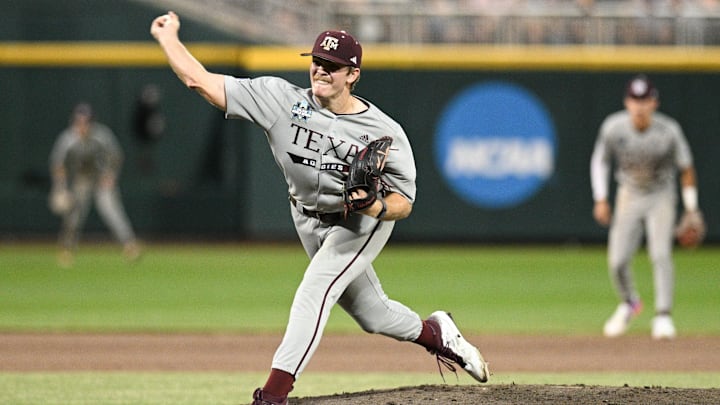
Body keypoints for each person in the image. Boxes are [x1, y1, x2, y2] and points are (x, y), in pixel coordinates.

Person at [151, 11, 489, 405]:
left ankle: (273, 395)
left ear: (353, 75)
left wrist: (377, 207)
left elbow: (404, 202)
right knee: (372, 315)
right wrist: (168, 37)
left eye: (333, 66)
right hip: (307, 216)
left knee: (315, 289)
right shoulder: (280, 100)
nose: (321, 70)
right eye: (317, 62)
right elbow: (200, 81)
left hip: (358, 221)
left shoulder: (385, 131)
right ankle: (438, 334)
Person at [590, 74, 701, 340]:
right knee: (617, 260)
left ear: (655, 102)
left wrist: (691, 208)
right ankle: (630, 302)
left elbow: (686, 169)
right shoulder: (614, 127)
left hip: (660, 194)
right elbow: (600, 161)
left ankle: (663, 315)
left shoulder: (668, 130)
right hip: (629, 193)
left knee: (660, 254)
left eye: (645, 99)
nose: (639, 106)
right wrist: (601, 197)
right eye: (635, 100)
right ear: (627, 102)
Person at [49, 103, 142, 268]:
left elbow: (116, 156)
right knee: (74, 216)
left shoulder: (102, 135)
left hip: (100, 178)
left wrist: (111, 175)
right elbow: (58, 165)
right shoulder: (68, 139)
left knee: (112, 212)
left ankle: (129, 245)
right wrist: (60, 187)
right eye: (79, 121)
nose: (83, 125)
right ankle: (67, 249)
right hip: (81, 180)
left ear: (92, 122)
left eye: (86, 121)